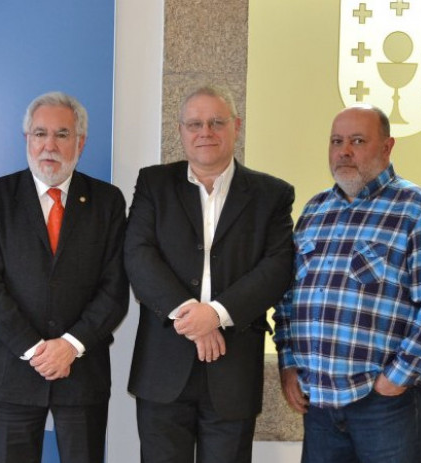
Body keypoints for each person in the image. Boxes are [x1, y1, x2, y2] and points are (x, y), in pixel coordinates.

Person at [124, 85, 295, 463]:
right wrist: (192, 314)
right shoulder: (154, 184)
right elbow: (138, 256)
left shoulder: (272, 194)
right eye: (195, 124)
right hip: (163, 368)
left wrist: (215, 314)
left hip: (233, 369)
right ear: (181, 131)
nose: (206, 132)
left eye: (217, 122)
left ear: (236, 126)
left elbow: (277, 267)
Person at [0, 91, 129, 463]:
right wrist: (35, 349)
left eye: (62, 134)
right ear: (27, 139)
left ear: (81, 142)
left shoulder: (107, 202)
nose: (49, 145)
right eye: (40, 134)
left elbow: (115, 287)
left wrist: (70, 345)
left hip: (82, 370)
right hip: (13, 369)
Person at [274, 104, 421, 462]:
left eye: (358, 140)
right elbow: (286, 297)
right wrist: (289, 362)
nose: (344, 151)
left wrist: (396, 378)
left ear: (388, 147)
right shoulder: (315, 211)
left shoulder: (417, 210)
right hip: (320, 405)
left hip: (387, 405)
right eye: (336, 141)